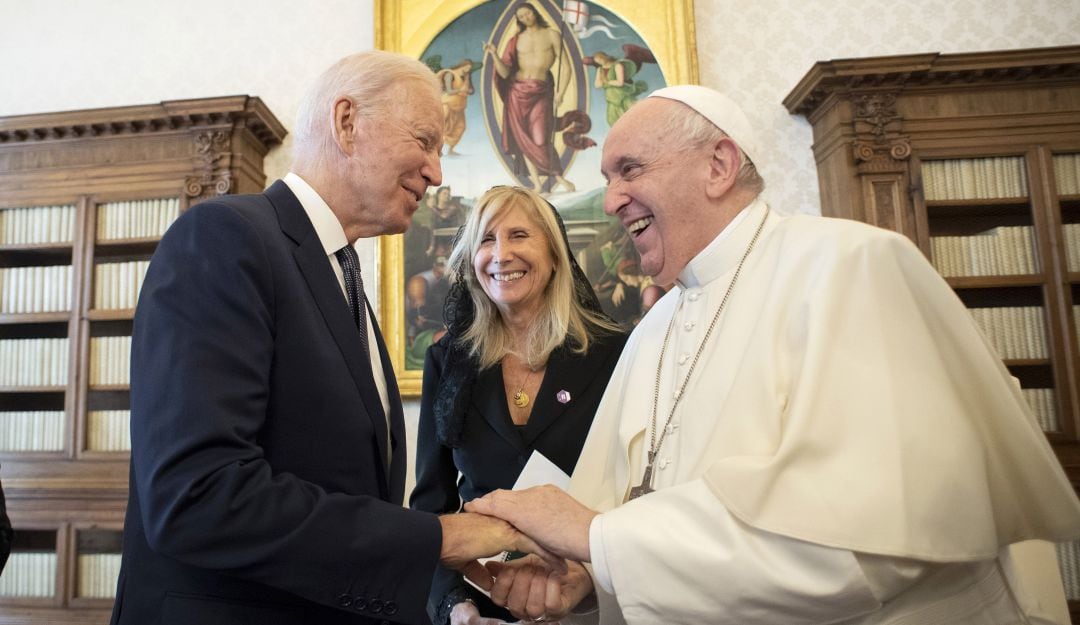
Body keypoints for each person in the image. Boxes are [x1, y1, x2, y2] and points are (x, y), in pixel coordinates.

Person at [466, 85, 1080, 624]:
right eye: (608, 180)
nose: (610, 201)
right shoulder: (654, 330)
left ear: (718, 165)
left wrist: (601, 540)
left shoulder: (850, 267)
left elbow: (866, 542)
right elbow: (622, 515)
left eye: (630, 169)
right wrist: (588, 578)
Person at [110, 51, 552, 625]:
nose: (437, 172)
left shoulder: (343, 279)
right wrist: (440, 537)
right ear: (347, 122)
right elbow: (197, 497)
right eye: (424, 141)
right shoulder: (226, 238)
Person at [411, 185, 627, 625]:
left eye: (519, 235)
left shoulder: (616, 354)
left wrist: (588, 580)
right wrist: (456, 607)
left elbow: (637, 492)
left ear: (554, 254)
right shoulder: (447, 361)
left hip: (589, 596)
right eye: (486, 239)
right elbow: (431, 508)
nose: (501, 254)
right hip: (482, 601)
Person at [483, 3, 578, 193]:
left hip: (541, 91)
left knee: (540, 138)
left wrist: (561, 92)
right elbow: (504, 73)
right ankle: (537, 184)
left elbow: (566, 67)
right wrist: (494, 54)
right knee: (523, 140)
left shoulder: (551, 35)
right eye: (521, 16)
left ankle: (559, 177)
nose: (526, 17)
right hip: (517, 93)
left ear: (535, 12)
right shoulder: (516, 40)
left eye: (528, 13)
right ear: (518, 20)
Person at [586, 45, 655, 126]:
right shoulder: (600, 69)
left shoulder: (617, 65)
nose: (600, 62)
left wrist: (607, 82)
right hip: (611, 97)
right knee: (613, 120)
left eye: (600, 59)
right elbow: (597, 85)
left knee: (634, 113)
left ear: (605, 57)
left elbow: (620, 82)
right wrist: (608, 83)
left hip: (622, 94)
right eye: (597, 61)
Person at [436, 59, 476, 156]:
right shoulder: (450, 74)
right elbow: (449, 91)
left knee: (460, 127)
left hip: (459, 106)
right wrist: (460, 90)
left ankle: (450, 150)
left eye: (469, 68)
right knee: (442, 127)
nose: (468, 69)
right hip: (448, 104)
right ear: (462, 65)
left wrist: (469, 90)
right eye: (467, 67)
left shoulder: (466, 77)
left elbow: (469, 90)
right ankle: (436, 149)